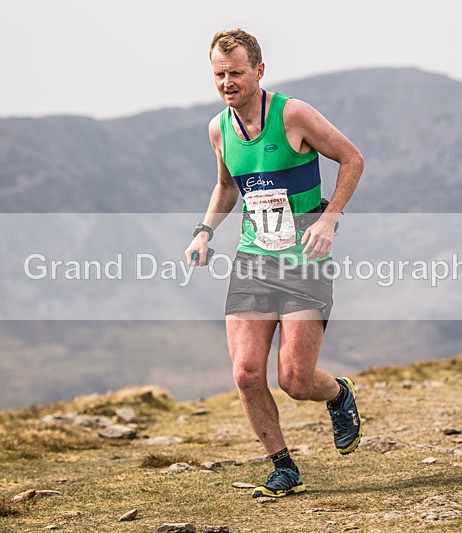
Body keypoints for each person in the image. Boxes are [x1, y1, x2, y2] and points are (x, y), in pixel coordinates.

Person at [185, 28, 365, 498]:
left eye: (236, 73)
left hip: (305, 261)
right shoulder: (218, 128)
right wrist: (205, 232)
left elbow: (352, 159)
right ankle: (282, 465)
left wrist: (328, 220)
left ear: (259, 71)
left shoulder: (293, 114)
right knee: (245, 373)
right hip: (253, 260)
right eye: (219, 74)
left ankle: (339, 394)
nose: (227, 82)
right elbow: (227, 186)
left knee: (295, 380)